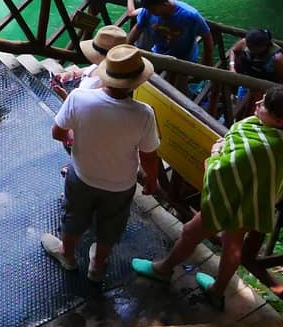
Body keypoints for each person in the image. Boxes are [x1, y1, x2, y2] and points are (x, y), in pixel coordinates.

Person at [132, 84, 283, 309]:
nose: (258, 104)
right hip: (252, 201)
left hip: (231, 198)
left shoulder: (261, 147)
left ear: (279, 120)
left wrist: (214, 156)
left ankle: (163, 269)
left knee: (190, 231)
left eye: (264, 107)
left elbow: (223, 171)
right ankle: (217, 291)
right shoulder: (274, 138)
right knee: (233, 244)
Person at [42, 44, 161, 283]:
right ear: (137, 83)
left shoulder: (78, 98)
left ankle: (67, 254)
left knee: (74, 215)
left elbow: (58, 132)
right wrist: (152, 180)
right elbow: (149, 155)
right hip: (121, 185)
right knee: (111, 225)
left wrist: (72, 138)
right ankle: (97, 266)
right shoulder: (144, 114)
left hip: (82, 176)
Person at [126, 0, 213, 94]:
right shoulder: (147, 10)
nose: (150, 12)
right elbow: (138, 28)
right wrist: (126, 46)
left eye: (153, 10)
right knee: (147, 84)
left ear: (164, 3)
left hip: (183, 60)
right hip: (158, 53)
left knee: (178, 93)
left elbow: (207, 38)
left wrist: (204, 65)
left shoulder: (190, 15)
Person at [51, 24, 129, 97]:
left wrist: (65, 97)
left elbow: (83, 109)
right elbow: (89, 69)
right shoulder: (101, 65)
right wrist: (71, 74)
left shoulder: (104, 85)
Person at [227, 27, 283, 119]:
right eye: (249, 46)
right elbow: (233, 51)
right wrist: (232, 66)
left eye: (253, 48)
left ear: (264, 46)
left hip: (265, 89)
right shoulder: (245, 43)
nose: (250, 49)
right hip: (246, 82)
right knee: (240, 105)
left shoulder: (277, 58)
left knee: (253, 113)